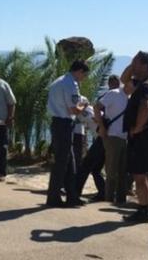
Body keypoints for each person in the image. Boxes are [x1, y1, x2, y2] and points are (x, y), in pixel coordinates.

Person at [121, 51, 148, 223]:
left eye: (136, 63)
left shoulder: (145, 86)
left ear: (145, 65)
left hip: (142, 136)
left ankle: (143, 211)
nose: (132, 67)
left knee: (139, 175)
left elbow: (146, 106)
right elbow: (124, 82)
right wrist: (132, 65)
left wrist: (137, 128)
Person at [45, 59, 89, 208]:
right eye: (84, 75)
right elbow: (74, 109)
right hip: (64, 123)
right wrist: (84, 104)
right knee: (62, 163)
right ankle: (53, 197)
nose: (83, 78)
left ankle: (72, 196)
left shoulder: (58, 81)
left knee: (70, 163)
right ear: (80, 71)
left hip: (58, 123)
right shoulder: (71, 84)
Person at [96, 75, 129, 204]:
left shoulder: (130, 97)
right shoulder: (113, 94)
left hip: (124, 137)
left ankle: (121, 200)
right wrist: (102, 127)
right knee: (111, 170)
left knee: (122, 171)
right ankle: (108, 198)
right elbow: (97, 107)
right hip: (112, 136)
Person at [74, 96, 104, 199]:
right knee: (96, 169)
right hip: (103, 139)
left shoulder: (87, 111)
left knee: (86, 165)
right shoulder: (85, 112)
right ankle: (103, 192)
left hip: (101, 138)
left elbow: (95, 119)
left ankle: (76, 191)